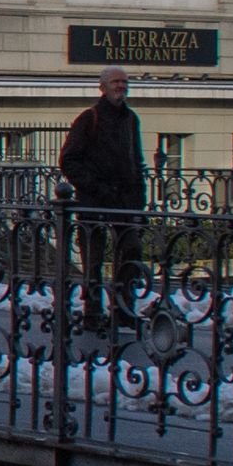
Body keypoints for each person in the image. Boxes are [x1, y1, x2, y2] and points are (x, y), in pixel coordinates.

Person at [58, 68, 147, 327]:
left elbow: (136, 160)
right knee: (93, 259)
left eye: (125, 82)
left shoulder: (131, 119)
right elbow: (69, 160)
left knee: (131, 252)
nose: (121, 86)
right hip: (95, 200)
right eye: (116, 82)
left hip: (124, 202)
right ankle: (93, 311)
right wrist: (95, 187)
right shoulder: (89, 119)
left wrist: (139, 199)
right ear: (103, 87)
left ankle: (124, 308)